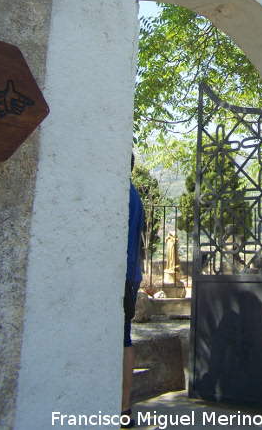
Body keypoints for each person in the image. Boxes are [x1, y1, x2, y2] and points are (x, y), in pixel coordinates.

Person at [121, 153, 145, 428]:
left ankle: (124, 407)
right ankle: (124, 408)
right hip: (132, 273)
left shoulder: (124, 194)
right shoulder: (134, 194)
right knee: (124, 337)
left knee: (123, 338)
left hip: (125, 275)